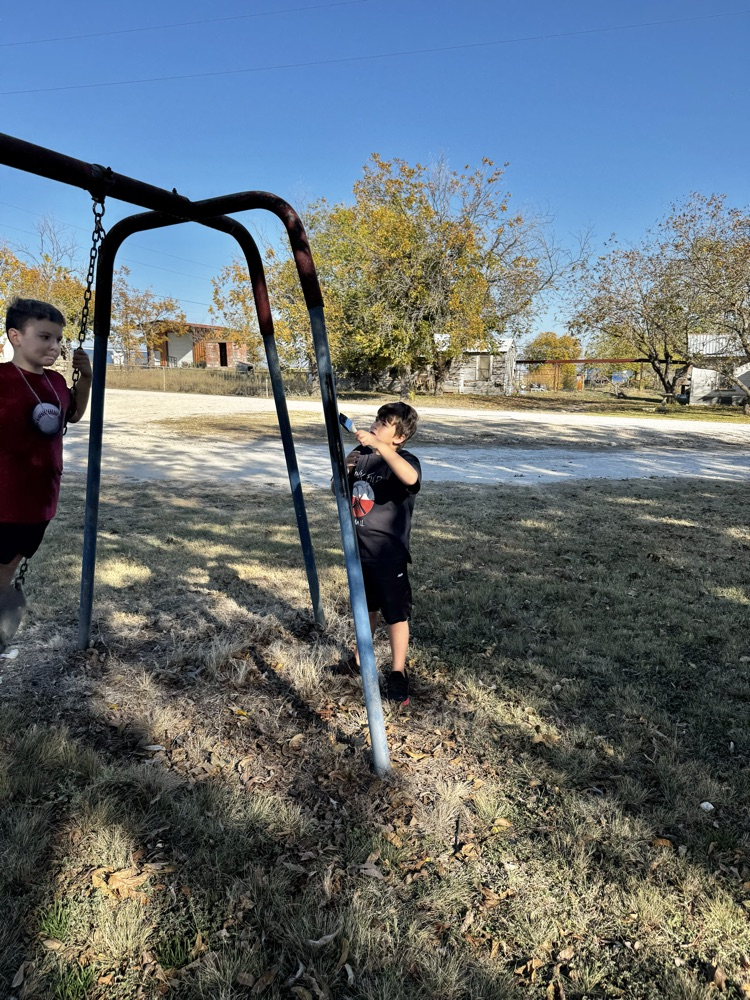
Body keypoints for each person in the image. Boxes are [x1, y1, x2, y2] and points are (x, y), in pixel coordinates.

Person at [0, 297, 92, 650]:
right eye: (44, 337)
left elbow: (73, 415)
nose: (54, 346)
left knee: (9, 566)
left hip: (40, 501)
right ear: (16, 336)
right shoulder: (3, 379)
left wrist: (86, 379)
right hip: (5, 500)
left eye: (58, 339)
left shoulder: (54, 382)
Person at [337, 401, 421, 705]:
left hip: (388, 554)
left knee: (395, 614)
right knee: (366, 607)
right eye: (376, 419)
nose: (376, 425)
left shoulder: (404, 459)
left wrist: (379, 448)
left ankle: (398, 672)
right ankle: (359, 660)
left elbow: (410, 479)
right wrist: (344, 467)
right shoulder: (361, 457)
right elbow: (338, 488)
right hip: (359, 550)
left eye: (384, 423)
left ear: (398, 437)